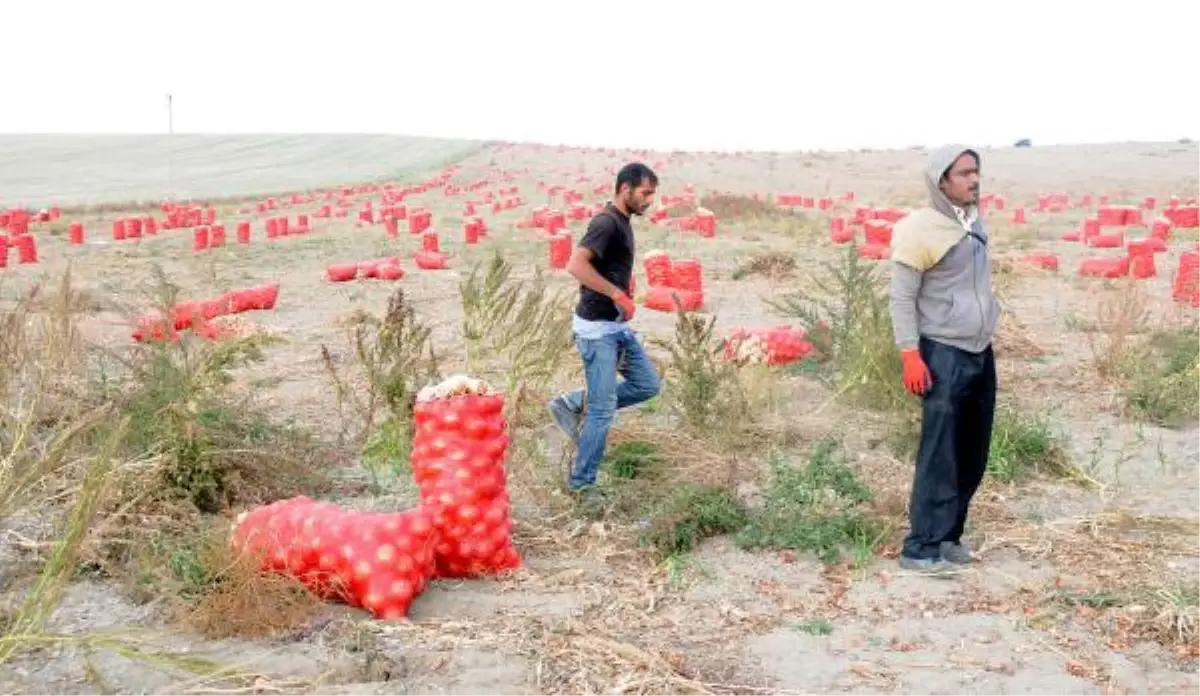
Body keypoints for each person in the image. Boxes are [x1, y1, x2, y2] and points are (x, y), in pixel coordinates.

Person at [888, 145, 1001, 574]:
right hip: (942, 352)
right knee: (939, 453)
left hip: (979, 349)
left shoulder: (972, 219)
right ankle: (920, 548)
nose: (974, 180)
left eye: (977, 172)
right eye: (965, 173)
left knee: (972, 450)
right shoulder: (919, 230)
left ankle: (950, 536)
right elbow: (901, 297)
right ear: (942, 181)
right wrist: (909, 355)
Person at [547, 162, 662, 507]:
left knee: (648, 385)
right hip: (597, 332)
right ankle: (582, 486)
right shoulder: (605, 222)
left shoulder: (623, 223)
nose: (649, 201)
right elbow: (575, 265)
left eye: (652, 195)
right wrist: (616, 294)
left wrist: (624, 290)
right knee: (603, 409)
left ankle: (572, 403)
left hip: (615, 328)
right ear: (625, 188)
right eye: (645, 194)